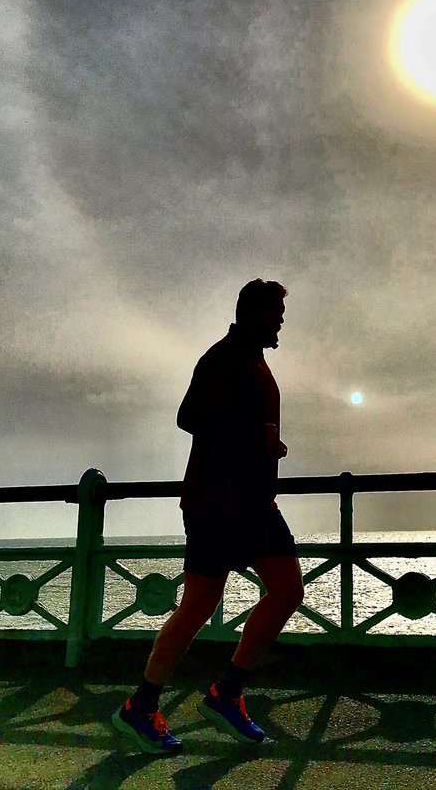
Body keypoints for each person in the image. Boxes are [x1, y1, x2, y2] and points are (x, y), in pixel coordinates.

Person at [111, 278, 304, 755]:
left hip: (252, 503)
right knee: (199, 603)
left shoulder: (254, 361)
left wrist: (263, 447)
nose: (281, 320)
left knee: (286, 590)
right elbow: (189, 416)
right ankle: (143, 705)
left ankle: (226, 693)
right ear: (251, 313)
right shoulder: (222, 357)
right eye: (274, 311)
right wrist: (254, 436)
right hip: (217, 501)